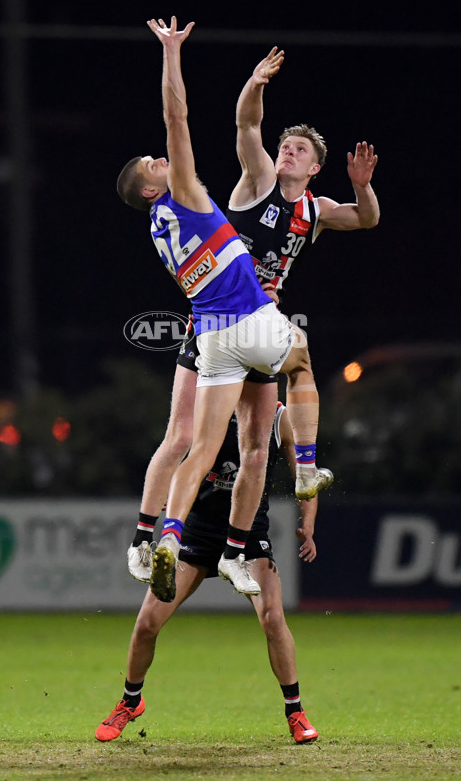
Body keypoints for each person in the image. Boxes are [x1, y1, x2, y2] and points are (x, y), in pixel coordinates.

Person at [127, 45, 379, 588]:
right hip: (242, 320)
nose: (285, 152)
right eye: (284, 145)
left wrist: (362, 185)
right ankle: (306, 469)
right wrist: (256, 82)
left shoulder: (314, 210)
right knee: (200, 430)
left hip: (231, 325)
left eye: (298, 150)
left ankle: (189, 542)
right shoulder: (252, 180)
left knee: (250, 445)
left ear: (314, 168)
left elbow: (367, 218)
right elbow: (245, 123)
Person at [96, 400, 320, 745]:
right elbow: (172, 457)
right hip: (196, 536)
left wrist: (308, 523)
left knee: (273, 618)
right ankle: (130, 701)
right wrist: (165, 505)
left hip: (248, 537)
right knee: (147, 624)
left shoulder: (277, 416)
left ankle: (295, 712)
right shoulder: (205, 406)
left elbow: (306, 474)